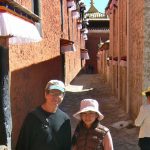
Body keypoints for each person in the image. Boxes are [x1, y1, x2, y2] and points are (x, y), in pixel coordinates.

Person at [16, 80, 71, 150]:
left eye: (59, 93)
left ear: (63, 96)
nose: (56, 97)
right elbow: (22, 144)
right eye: (52, 92)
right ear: (46, 94)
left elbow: (66, 146)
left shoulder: (65, 120)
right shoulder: (32, 117)